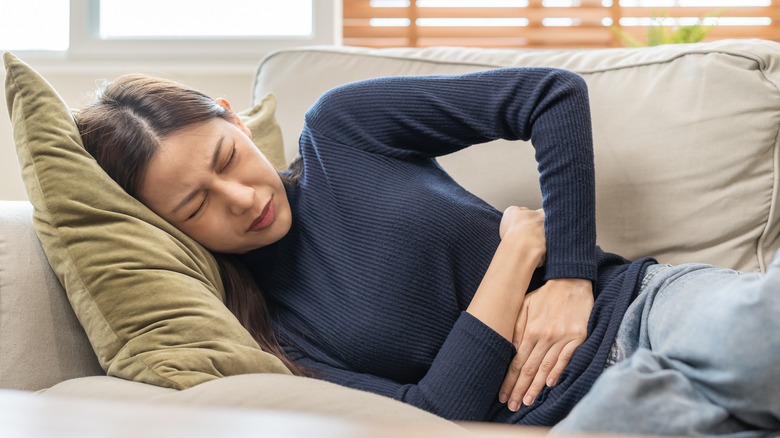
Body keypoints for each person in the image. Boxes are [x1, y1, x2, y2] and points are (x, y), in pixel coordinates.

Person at [75, 68, 780, 436]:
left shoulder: (342, 130)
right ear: (169, 229)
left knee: (759, 336)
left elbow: (548, 96)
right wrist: (514, 259)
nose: (239, 197)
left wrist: (568, 275)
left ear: (233, 118)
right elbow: (434, 413)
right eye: (195, 205)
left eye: (228, 157)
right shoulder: (269, 331)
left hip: (647, 309)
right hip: (568, 418)